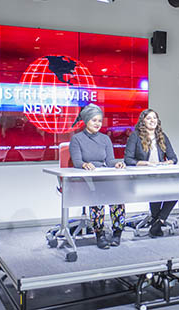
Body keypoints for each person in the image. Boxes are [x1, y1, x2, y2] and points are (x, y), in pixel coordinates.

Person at [69, 104, 126, 250]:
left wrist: (117, 164)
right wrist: (85, 165)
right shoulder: (77, 139)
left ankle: (117, 232)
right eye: (94, 120)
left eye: (100, 121)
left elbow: (109, 161)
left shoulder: (105, 139)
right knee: (97, 199)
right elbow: (77, 162)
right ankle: (99, 233)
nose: (97, 124)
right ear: (86, 120)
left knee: (117, 197)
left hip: (104, 175)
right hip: (87, 178)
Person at [124, 109, 178, 238]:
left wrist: (168, 162)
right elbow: (128, 160)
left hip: (160, 174)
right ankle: (157, 222)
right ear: (143, 121)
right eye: (149, 118)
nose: (152, 120)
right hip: (143, 176)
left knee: (177, 190)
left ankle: (158, 221)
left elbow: (174, 158)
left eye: (154, 118)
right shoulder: (135, 136)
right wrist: (145, 163)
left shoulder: (162, 136)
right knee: (156, 191)